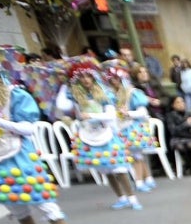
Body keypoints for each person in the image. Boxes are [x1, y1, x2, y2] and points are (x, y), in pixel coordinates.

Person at [0, 46, 93, 224]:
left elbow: (28, 128)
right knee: (17, 207)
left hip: (19, 155)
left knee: (46, 204)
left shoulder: (14, 94)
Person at [54, 59, 141, 211]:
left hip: (107, 134)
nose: (86, 80)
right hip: (89, 135)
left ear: (93, 77)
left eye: (88, 76)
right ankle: (121, 197)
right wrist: (63, 84)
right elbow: (61, 106)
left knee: (119, 169)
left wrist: (92, 116)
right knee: (105, 169)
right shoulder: (74, 96)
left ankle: (132, 198)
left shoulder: (104, 93)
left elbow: (110, 115)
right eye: (82, 77)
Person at [103, 63, 157, 192]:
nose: (114, 82)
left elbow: (143, 111)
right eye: (111, 80)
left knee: (136, 156)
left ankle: (139, 182)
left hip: (133, 128)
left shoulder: (132, 93)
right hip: (121, 127)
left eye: (116, 79)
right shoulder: (111, 95)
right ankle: (148, 178)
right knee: (136, 156)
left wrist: (128, 113)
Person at [163, 94, 191, 166]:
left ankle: (189, 164)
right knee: (180, 146)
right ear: (172, 105)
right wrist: (186, 124)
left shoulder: (189, 114)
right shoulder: (170, 116)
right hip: (177, 138)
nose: (181, 104)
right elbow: (173, 131)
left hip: (190, 137)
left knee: (190, 145)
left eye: (182, 101)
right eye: (178, 102)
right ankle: (188, 165)